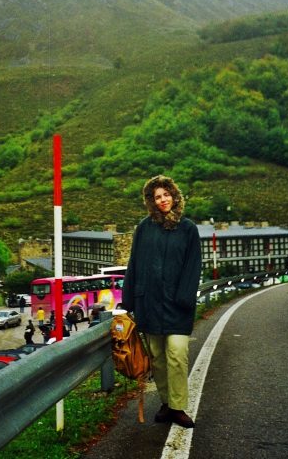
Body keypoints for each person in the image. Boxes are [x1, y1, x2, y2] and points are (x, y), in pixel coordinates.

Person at [122, 175, 201, 429]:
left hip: (178, 306)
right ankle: (167, 403)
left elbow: (193, 266)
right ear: (151, 202)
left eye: (166, 194)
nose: (163, 200)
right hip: (150, 304)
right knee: (157, 358)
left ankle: (178, 407)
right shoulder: (143, 228)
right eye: (157, 197)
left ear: (174, 196)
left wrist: (185, 297)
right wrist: (128, 299)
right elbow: (133, 264)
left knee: (177, 354)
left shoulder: (188, 229)